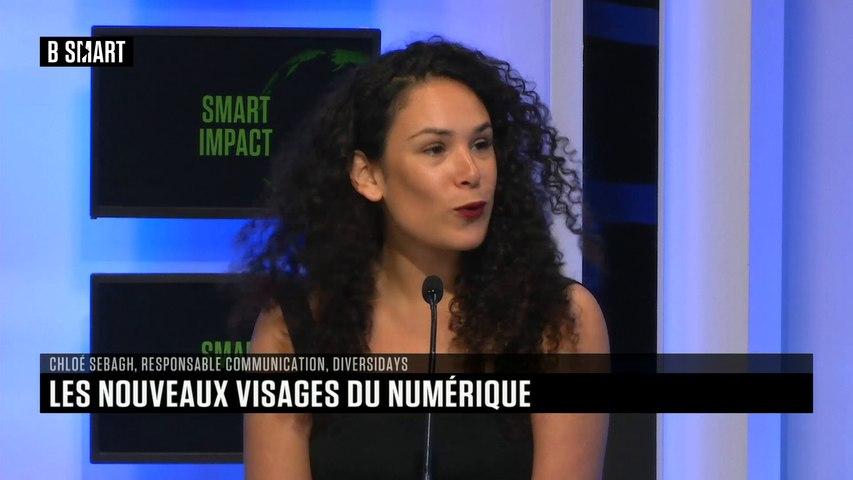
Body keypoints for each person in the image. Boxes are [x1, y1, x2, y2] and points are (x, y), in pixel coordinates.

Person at [241, 37, 610, 480]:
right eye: (436, 149)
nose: (470, 172)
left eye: (481, 144)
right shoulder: (296, 328)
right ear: (369, 176)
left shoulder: (557, 321)